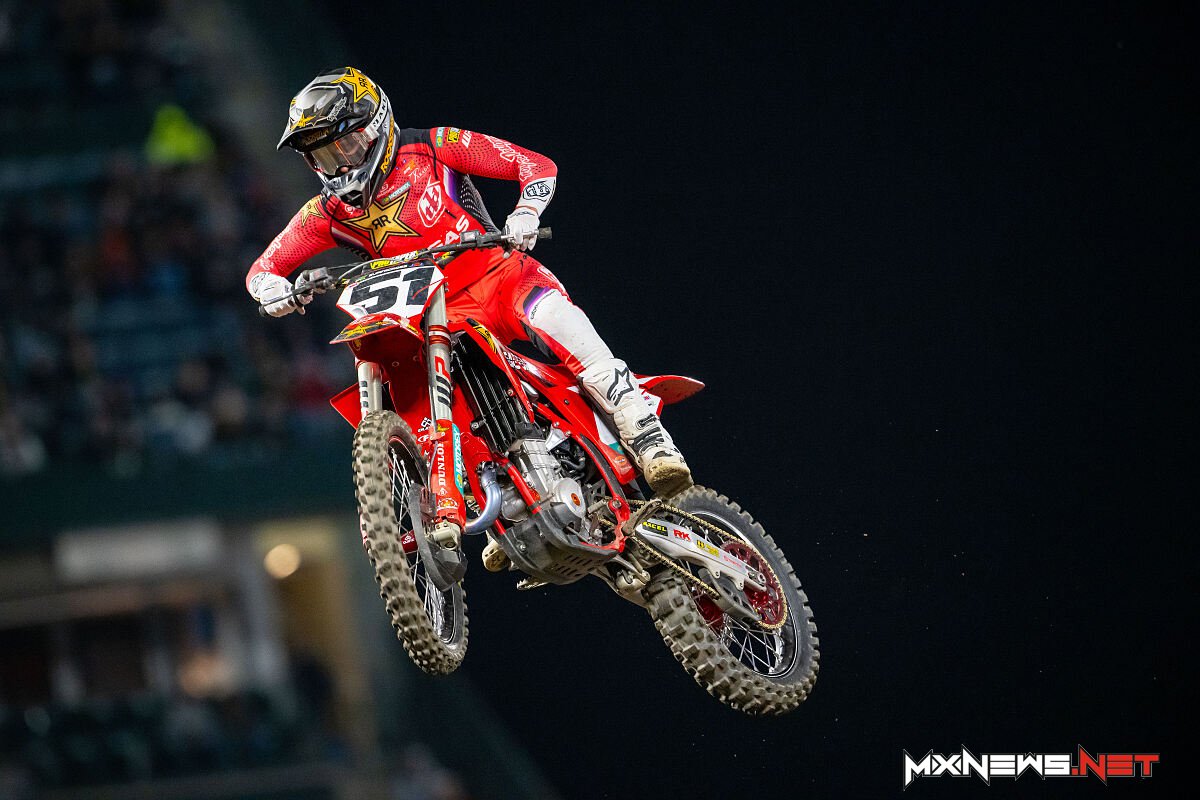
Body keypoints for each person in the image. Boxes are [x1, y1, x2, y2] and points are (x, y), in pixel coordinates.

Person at [246, 67, 691, 506]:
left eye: (346, 144)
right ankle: (494, 498)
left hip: (503, 279)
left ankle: (649, 439)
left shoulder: (434, 146)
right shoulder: (325, 212)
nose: (340, 163)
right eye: (324, 155)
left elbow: (535, 165)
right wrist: (273, 292)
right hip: (437, 315)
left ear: (376, 126)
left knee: (563, 326)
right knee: (428, 395)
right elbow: (263, 269)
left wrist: (525, 213)